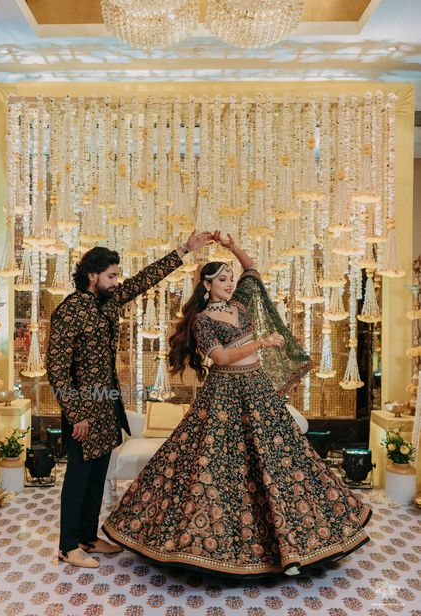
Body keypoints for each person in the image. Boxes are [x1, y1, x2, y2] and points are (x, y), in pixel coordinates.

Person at [102, 232, 372, 577]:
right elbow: (222, 357)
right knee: (213, 466)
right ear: (206, 286)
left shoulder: (241, 307)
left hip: (257, 391)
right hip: (224, 394)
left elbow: (252, 270)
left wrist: (232, 247)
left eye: (230, 278)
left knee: (280, 461)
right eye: (222, 279)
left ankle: (296, 543)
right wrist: (259, 342)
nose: (230, 283)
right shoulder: (202, 321)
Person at [46, 231, 213, 568]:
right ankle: (68, 545)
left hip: (107, 404)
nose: (116, 280)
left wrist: (183, 250)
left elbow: (142, 280)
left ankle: (87, 537)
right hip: (83, 411)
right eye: (110, 275)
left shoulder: (107, 301)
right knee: (78, 476)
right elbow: (57, 368)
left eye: (116, 274)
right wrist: (76, 413)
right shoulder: (70, 311)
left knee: (97, 476)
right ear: (92, 275)